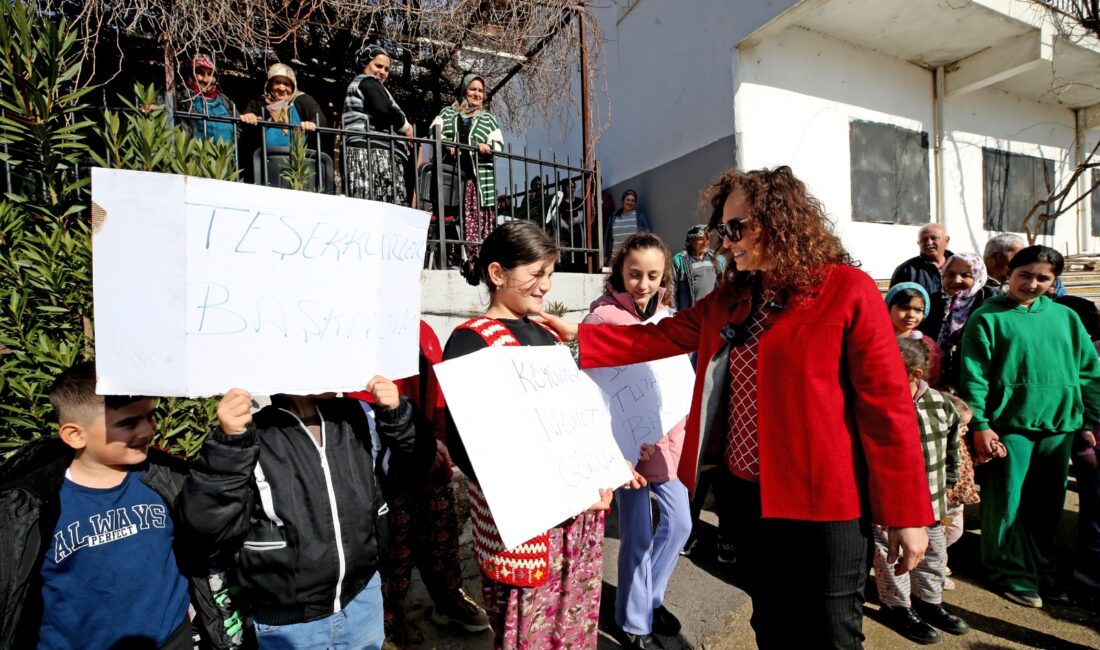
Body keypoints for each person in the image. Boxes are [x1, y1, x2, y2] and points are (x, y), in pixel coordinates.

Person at [542, 166, 932, 648]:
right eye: (721, 230)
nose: (725, 243)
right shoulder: (733, 296)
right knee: (769, 623)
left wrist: (908, 514)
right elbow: (662, 336)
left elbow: (887, 409)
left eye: (734, 228)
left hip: (826, 505)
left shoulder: (847, 289)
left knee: (830, 633)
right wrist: (583, 335)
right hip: (747, 498)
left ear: (779, 220)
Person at [446, 220, 640, 649]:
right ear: (497, 274)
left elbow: (573, 416)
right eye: (536, 274)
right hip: (528, 530)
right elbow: (473, 452)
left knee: (574, 627)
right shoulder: (470, 342)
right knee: (528, 635)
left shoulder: (549, 334)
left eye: (550, 273)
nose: (546, 286)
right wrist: (564, 492)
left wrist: (607, 461)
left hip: (579, 521)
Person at [178, 377, 433, 649]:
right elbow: (205, 526)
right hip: (290, 624)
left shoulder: (360, 415)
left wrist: (398, 416)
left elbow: (412, 469)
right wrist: (228, 447)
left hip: (363, 599)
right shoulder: (250, 434)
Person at [0, 361, 230, 649]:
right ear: (75, 435)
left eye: (150, 416)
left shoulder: (164, 480)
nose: (148, 430)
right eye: (128, 423)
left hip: (172, 639)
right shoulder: (30, 507)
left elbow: (215, 524)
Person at [960, 245, 1100, 608]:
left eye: (1043, 278)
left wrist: (1090, 419)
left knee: (1046, 504)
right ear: (1009, 272)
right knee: (1007, 503)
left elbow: (1088, 371)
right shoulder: (988, 317)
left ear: (1054, 282)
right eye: (1025, 274)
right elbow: (975, 377)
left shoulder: (1067, 317)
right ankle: (1008, 571)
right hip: (1008, 427)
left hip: (1059, 426)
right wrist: (981, 424)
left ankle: (1040, 568)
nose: (1032, 283)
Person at [347, 322, 490, 646]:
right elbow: (360, 415)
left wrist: (438, 441)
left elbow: (439, 396)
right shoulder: (357, 334)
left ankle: (448, 599)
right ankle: (391, 619)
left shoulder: (423, 330)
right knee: (394, 554)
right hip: (387, 473)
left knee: (441, 539)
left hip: (431, 461)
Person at [582, 232, 692, 649]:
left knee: (680, 523)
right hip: (627, 450)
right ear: (619, 272)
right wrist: (619, 447)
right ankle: (633, 623)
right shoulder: (601, 319)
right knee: (638, 534)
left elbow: (678, 388)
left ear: (664, 275)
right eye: (633, 274)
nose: (642, 284)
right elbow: (594, 389)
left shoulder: (668, 318)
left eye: (652, 275)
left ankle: (651, 598)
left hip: (666, 445)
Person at [873, 338, 969, 645]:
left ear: (914, 374)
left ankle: (930, 602)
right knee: (891, 560)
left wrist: (950, 483)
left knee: (933, 556)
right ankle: (897, 607)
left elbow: (954, 447)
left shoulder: (941, 405)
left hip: (931, 503)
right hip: (887, 508)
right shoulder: (876, 403)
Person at [430, 72, 504, 259]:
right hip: (450, 175)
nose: (477, 94)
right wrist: (446, 143)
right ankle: (451, 259)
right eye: (473, 89)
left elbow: (499, 146)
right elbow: (433, 132)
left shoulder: (488, 119)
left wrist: (488, 147)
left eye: (480, 91)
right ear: (465, 90)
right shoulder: (448, 112)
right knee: (448, 217)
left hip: (474, 179)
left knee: (472, 219)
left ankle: (474, 260)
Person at [343, 45, 414, 205]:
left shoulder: (368, 84)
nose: (382, 72)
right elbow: (384, 108)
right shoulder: (367, 81)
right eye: (378, 66)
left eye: (387, 69)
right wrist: (406, 127)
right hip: (372, 155)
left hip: (375, 153)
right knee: (377, 204)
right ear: (364, 64)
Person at [937, 252, 992, 390]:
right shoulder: (933, 301)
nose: (956, 280)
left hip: (975, 381)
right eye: (950, 274)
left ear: (978, 276)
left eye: (965, 275)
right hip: (937, 381)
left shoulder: (989, 305)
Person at [241, 63, 326, 150]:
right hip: (266, 158)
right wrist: (249, 116)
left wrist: (311, 124)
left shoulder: (304, 100)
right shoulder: (261, 101)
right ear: (270, 85)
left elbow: (320, 120)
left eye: (286, 84)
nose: (282, 88)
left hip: (299, 160)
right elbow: (247, 114)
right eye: (277, 82)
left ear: (293, 87)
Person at [890, 223, 954, 338]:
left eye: (934, 238)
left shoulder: (960, 265)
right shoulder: (906, 270)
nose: (929, 243)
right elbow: (894, 308)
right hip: (921, 337)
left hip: (956, 335)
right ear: (919, 244)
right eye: (924, 240)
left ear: (947, 240)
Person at [173, 53, 238, 146]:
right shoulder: (182, 98)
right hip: (197, 157)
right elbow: (164, 106)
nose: (206, 79)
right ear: (191, 74)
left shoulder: (224, 100)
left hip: (225, 158)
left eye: (210, 74)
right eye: (201, 73)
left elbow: (237, 124)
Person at [885, 282, 941, 386]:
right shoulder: (878, 341)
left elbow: (933, 379)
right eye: (903, 307)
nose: (911, 315)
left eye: (918, 310)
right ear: (888, 308)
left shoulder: (928, 344)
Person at [672, 224, 726, 311]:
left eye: (708, 238)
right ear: (690, 241)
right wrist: (673, 311)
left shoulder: (718, 259)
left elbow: (723, 286)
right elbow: (672, 288)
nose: (706, 242)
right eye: (701, 239)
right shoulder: (680, 261)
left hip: (711, 312)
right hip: (689, 313)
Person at [604, 189, 653, 266]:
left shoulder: (639, 216)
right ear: (623, 201)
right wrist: (605, 255)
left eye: (632, 201)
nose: (630, 202)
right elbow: (608, 237)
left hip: (633, 258)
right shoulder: (614, 217)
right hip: (615, 259)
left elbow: (648, 235)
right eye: (628, 200)